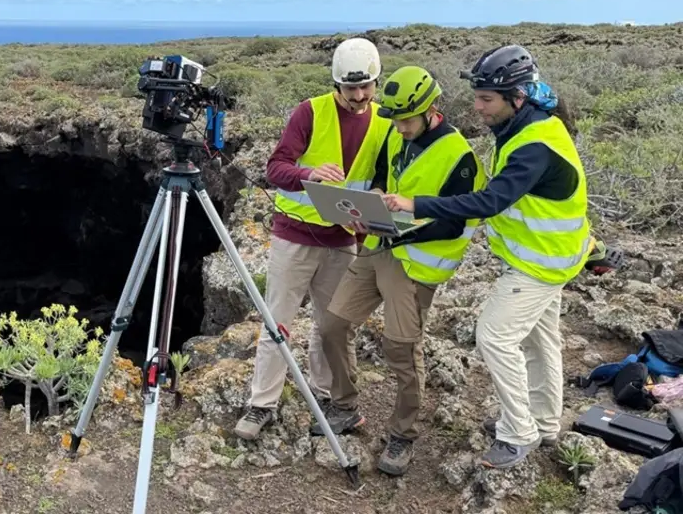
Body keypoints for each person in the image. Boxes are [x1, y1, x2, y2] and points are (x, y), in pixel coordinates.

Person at [381, 44, 591, 469]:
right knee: (540, 338)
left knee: (494, 335)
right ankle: (546, 422)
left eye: (486, 99)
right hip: (552, 255)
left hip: (541, 263)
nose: (477, 108)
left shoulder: (534, 143)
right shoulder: (529, 124)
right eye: (477, 97)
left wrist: (413, 205)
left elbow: (490, 200)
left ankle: (517, 435)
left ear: (517, 96)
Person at [309, 65, 486, 476]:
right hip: (375, 247)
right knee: (332, 325)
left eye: (407, 119)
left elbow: (457, 222)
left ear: (431, 110)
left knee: (401, 348)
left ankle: (403, 434)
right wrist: (367, 206)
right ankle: (345, 406)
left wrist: (400, 228)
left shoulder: (459, 156)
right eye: (396, 120)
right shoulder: (394, 133)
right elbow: (383, 178)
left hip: (414, 264)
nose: (401, 127)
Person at [234, 37, 391, 441]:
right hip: (295, 236)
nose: (358, 96)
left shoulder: (384, 124)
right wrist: (309, 175)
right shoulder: (310, 111)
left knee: (331, 325)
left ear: (376, 82)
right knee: (277, 323)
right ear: (336, 83)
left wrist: (376, 198)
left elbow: (382, 180)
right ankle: (261, 403)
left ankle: (325, 397)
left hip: (342, 239)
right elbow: (275, 168)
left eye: (366, 87)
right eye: (350, 88)